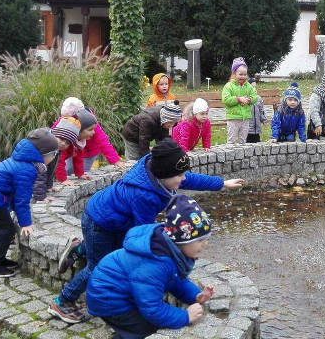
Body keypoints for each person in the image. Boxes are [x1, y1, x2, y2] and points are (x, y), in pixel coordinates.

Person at [49, 139, 244, 323]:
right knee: (98, 266)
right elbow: (142, 234)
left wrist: (222, 183)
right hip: (100, 222)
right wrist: (165, 257)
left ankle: (81, 248)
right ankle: (62, 302)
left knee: (111, 252)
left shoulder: (158, 168)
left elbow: (187, 178)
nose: (183, 179)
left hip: (115, 218)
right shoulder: (144, 195)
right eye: (179, 176)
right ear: (165, 175)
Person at [86, 195, 215, 338]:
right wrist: (185, 316)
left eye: (206, 239)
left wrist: (195, 295)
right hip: (108, 298)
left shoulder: (170, 250)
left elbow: (176, 280)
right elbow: (152, 309)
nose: (205, 245)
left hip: (124, 293)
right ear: (181, 240)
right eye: (200, 240)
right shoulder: (154, 264)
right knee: (145, 330)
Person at [0, 128, 59, 277]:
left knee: (5, 228)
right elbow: (21, 200)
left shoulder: (24, 161)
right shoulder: (27, 169)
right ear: (45, 155)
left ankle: (0, 260)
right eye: (54, 154)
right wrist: (25, 223)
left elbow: (13, 191)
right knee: (5, 231)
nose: (54, 158)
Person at [59, 97, 122, 174]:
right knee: (68, 170)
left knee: (83, 172)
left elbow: (103, 142)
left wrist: (115, 160)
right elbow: (55, 132)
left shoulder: (91, 124)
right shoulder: (65, 120)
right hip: (72, 150)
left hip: (89, 153)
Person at [33, 118, 81, 201]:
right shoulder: (46, 147)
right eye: (62, 139)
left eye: (67, 143)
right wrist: (41, 197)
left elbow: (50, 168)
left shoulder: (56, 149)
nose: (63, 144)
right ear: (54, 135)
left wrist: (48, 186)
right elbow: (40, 172)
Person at [221, 57, 259, 144]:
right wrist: (238, 99)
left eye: (245, 74)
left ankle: (242, 156)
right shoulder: (229, 86)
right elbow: (226, 100)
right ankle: (230, 154)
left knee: (243, 140)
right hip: (233, 118)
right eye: (240, 74)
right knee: (231, 140)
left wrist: (249, 100)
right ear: (234, 74)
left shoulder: (248, 86)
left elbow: (255, 96)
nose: (243, 76)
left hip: (245, 118)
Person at [56, 108, 99, 182]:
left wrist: (80, 174)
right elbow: (59, 161)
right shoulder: (64, 143)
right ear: (78, 131)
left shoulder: (79, 142)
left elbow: (78, 158)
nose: (94, 132)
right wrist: (63, 180)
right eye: (90, 130)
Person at [246, 78, 268, 143]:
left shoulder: (258, 98)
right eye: (252, 87)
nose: (254, 89)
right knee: (248, 144)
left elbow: (262, 111)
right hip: (248, 128)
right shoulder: (245, 98)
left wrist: (264, 120)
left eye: (255, 87)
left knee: (257, 143)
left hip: (257, 127)